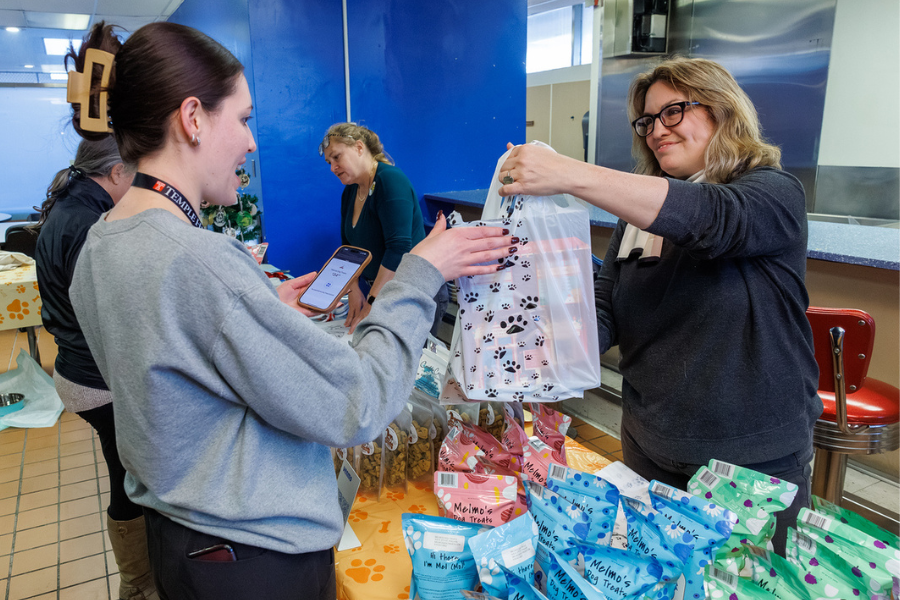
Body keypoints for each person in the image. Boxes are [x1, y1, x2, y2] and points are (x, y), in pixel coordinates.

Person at [64, 22, 514, 600]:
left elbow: (166, 357)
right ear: (193, 118)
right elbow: (357, 403)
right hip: (251, 559)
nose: (250, 144)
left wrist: (258, 309)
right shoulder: (199, 263)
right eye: (244, 119)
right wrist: (422, 273)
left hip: (179, 540)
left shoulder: (103, 240)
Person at [498, 56, 821, 556]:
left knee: (740, 582)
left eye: (673, 112)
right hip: (649, 444)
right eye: (647, 121)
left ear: (722, 110)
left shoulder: (774, 193)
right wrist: (540, 347)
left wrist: (569, 173)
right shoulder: (638, 216)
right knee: (651, 576)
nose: (656, 131)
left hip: (747, 462)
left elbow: (712, 222)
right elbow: (607, 303)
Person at [32, 138, 156, 600]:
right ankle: (139, 583)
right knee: (132, 481)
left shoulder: (70, 206)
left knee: (125, 473)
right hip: (96, 378)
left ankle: (139, 579)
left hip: (77, 370)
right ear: (117, 172)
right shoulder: (89, 224)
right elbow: (114, 315)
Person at [319, 123, 449, 334]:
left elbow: (398, 249)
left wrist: (372, 302)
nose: (333, 167)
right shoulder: (350, 191)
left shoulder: (390, 179)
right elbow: (348, 247)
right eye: (329, 162)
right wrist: (353, 288)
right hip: (383, 291)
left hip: (414, 292)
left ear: (359, 147)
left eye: (337, 157)